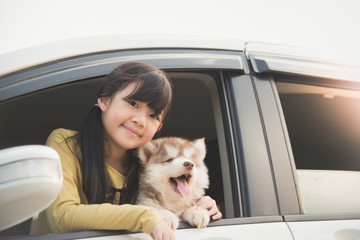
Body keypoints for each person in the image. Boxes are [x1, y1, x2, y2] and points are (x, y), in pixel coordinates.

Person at [37, 62, 221, 240]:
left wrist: (199, 206)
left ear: (157, 128)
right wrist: (144, 216)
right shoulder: (65, 143)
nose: (141, 121)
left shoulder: (148, 164)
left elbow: (166, 217)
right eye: (133, 103)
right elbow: (62, 218)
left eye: (153, 115)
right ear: (104, 100)